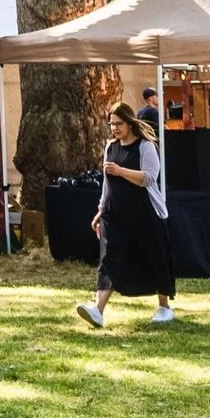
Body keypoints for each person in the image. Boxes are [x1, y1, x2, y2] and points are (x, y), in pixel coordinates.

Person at [77, 102, 175, 330]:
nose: (115, 128)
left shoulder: (145, 147)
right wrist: (100, 211)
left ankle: (164, 307)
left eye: (119, 124)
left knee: (154, 256)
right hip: (115, 213)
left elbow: (150, 178)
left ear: (130, 123)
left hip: (145, 212)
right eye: (111, 124)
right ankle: (98, 310)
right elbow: (106, 185)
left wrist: (121, 171)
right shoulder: (110, 147)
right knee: (109, 258)